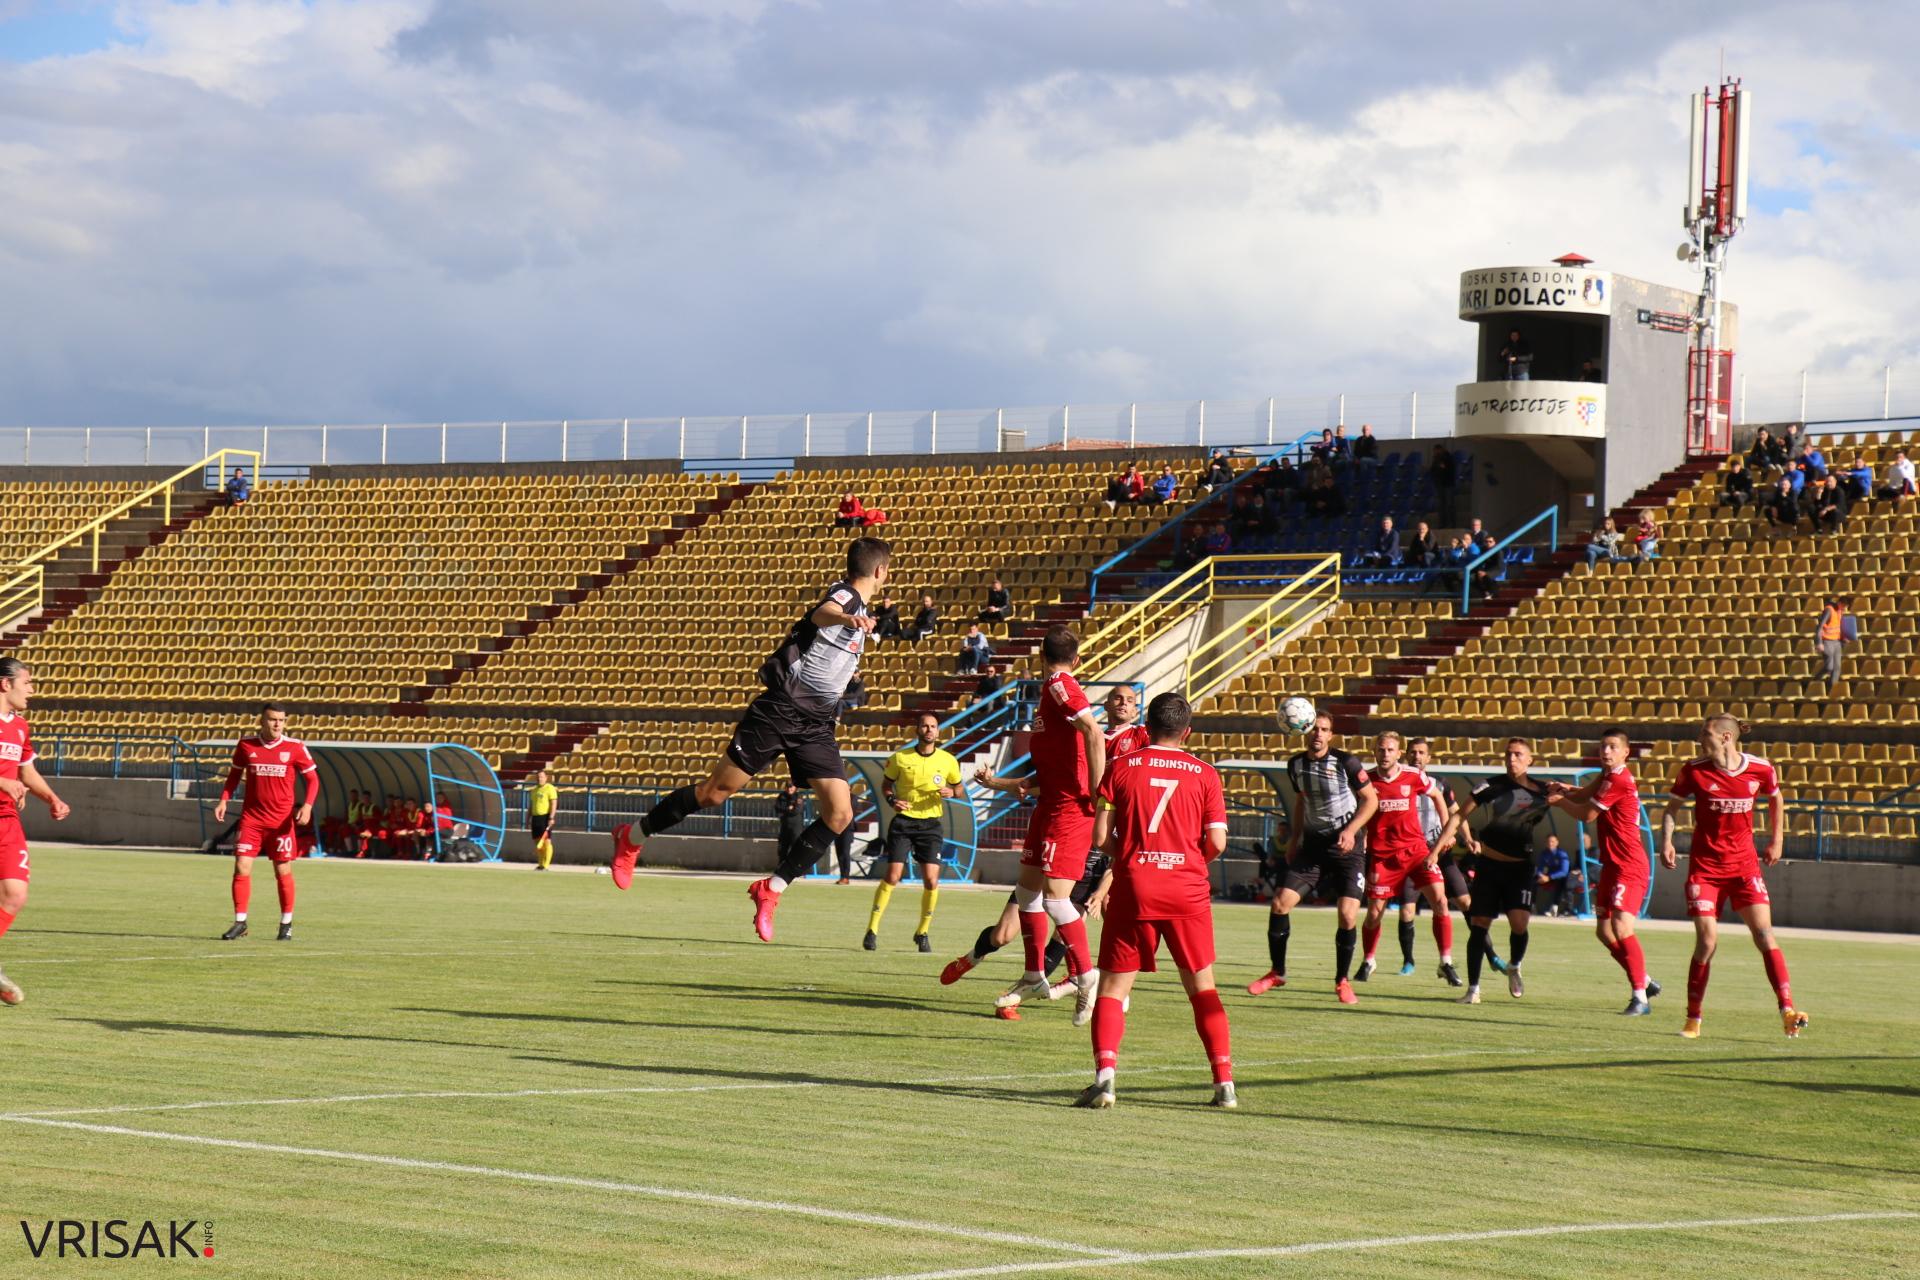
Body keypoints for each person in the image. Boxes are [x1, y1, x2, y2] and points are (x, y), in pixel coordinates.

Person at [609, 538, 888, 945]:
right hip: (780, 710)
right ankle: (631, 837)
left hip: (816, 724)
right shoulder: (845, 596)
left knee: (840, 814)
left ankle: (771, 889)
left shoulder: (861, 611)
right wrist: (848, 621)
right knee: (713, 794)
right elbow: (823, 611)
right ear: (880, 571)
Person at [1074, 692, 1235, 1110]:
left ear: (1148, 725)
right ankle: (1224, 1083)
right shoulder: (1205, 774)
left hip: (1135, 885)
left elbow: (1099, 838)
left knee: (1113, 986)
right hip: (1187, 889)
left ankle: (1106, 1078)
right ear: (1188, 731)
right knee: (1202, 987)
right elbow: (1217, 840)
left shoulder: (1122, 767)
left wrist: (1131, 853)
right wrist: (1186, 859)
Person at [944, 685, 1145, 1009]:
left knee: (1069, 922)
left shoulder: (1139, 740)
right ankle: (973, 956)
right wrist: (997, 783)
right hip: (1063, 831)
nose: (1123, 704)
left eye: (1130, 701)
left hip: (1092, 843)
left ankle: (1029, 994)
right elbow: (1047, 781)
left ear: (1136, 711)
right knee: (1004, 933)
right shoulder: (1081, 738)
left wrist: (1110, 875)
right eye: (1117, 698)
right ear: (1105, 704)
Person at [980, 626, 1107, 1021]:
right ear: (1079, 656)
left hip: (1070, 808)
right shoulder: (1049, 696)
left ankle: (1087, 975)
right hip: (1049, 804)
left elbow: (1094, 733)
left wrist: (1098, 790)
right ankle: (1034, 974)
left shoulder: (1059, 683)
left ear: (1041, 657)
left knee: (1054, 897)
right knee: (1026, 892)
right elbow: (1056, 760)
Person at [1660, 715, 1807, 1039]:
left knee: (1765, 935)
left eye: (1706, 733)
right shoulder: (1693, 770)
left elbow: (1776, 798)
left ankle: (1787, 1010)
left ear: (1727, 737)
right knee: (1708, 941)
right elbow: (1671, 808)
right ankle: (1693, 1019)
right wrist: (1667, 841)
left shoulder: (1760, 768)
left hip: (1743, 868)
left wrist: (1777, 839)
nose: (1700, 737)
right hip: (1706, 869)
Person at [1246, 711, 1377, 1004]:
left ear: (1331, 735)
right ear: (1304, 730)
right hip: (1314, 848)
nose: (1318, 734)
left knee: (1347, 915)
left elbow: (1372, 799)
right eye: (1314, 728)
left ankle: (1342, 981)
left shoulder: (1346, 762)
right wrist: (1294, 838)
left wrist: (1353, 830)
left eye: (1324, 729)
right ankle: (1276, 972)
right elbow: (1302, 800)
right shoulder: (1295, 764)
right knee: (1280, 903)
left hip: (1347, 849)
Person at [1547, 728, 1663, 1015]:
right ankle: (1645, 981)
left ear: (1626, 752)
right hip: (1612, 864)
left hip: (1629, 865)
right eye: (1603, 746)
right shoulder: (1608, 775)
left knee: (1622, 927)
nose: (1606, 751)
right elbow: (1586, 794)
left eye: (1612, 747)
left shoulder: (1620, 779)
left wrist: (1560, 802)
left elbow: (1587, 814)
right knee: (1604, 931)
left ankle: (1640, 999)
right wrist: (1567, 789)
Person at [1432, 738, 1551, 1004]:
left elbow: (1581, 806)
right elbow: (1459, 815)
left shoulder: (1543, 791)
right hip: (1489, 866)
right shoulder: (1490, 786)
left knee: (1519, 924)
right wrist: (1436, 849)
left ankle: (1514, 965)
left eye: (1518, 754)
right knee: (1479, 925)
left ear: (1530, 760)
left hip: (1520, 869)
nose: (1512, 759)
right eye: (1508, 754)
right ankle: (1473, 990)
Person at [1353, 732, 1453, 985]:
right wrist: (1362, 834)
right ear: (1374, 751)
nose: (1385, 754)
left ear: (1399, 753)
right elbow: (1360, 810)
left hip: (1416, 851)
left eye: (1390, 750)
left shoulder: (1413, 775)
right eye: (1380, 749)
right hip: (1383, 855)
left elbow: (1438, 797)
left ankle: (1446, 962)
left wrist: (1445, 828)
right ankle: (1369, 960)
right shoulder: (1367, 780)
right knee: (1375, 912)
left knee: (1440, 901)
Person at [214, 704, 319, 941]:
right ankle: (240, 922)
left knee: (282, 871)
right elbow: (233, 775)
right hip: (252, 819)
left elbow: (313, 780)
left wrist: (308, 806)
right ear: (262, 721)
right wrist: (223, 800)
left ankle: (286, 923)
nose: (277, 724)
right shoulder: (246, 744)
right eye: (272, 720)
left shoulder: (295, 747)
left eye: (281, 720)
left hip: (281, 821)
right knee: (241, 866)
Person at [0, 658, 70, 1007]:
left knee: (15, 894)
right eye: (26, 682)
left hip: (7, 821)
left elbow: (27, 772)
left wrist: (52, 798)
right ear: (4, 684)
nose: (32, 689)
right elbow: (11, 778)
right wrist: (3, 781)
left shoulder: (20, 727)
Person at [864, 712, 963, 953]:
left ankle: (922, 932)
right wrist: (892, 800)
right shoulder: (900, 758)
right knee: (893, 876)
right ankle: (872, 929)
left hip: (930, 825)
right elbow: (886, 785)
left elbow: (959, 788)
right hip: (903, 824)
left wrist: (952, 791)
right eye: (925, 726)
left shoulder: (948, 760)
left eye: (933, 727)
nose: (929, 730)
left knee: (931, 880)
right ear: (917, 730)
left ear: (938, 732)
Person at [772, 781, 814, 880]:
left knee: (796, 849)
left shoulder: (798, 797)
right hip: (784, 827)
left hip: (796, 828)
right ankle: (781, 869)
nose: (789, 788)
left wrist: (785, 810)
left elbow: (797, 810)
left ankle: (799, 870)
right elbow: (777, 808)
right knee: (782, 849)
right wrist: (788, 808)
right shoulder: (782, 796)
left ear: (795, 788)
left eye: (791, 787)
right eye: (788, 786)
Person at [1814, 595, 1856, 689]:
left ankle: (1833, 689)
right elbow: (1819, 627)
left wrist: (1844, 637)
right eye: (1845, 606)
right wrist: (1819, 642)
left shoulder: (1840, 611)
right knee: (1829, 667)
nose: (1846, 609)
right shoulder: (1829, 610)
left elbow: (1838, 626)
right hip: (1827, 641)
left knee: (1837, 668)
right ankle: (1815, 681)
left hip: (1837, 642)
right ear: (1841, 603)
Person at [526, 770, 559, 870]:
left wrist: (551, 817)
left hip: (545, 817)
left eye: (541, 777)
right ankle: (540, 864)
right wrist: (527, 819)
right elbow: (531, 806)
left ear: (546, 778)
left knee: (546, 842)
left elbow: (554, 803)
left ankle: (546, 865)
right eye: (538, 777)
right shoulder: (534, 790)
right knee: (537, 842)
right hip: (535, 818)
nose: (539, 779)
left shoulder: (550, 788)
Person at [1534, 834, 1572, 917]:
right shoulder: (1544, 853)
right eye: (1548, 841)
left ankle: (1554, 908)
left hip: (1557, 877)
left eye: (1552, 841)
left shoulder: (1562, 854)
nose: (1550, 843)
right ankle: (1531, 906)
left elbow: (1564, 871)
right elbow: (1539, 868)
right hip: (1547, 877)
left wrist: (1549, 877)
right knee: (1533, 881)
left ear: (1557, 843)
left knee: (1561, 881)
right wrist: (1541, 875)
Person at [1428, 444, 1459, 527]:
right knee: (1441, 506)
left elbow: (1451, 470)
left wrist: (1443, 468)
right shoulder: (1436, 460)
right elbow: (1432, 470)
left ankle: (1452, 524)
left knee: (1449, 505)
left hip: (1448, 484)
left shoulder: (1448, 458)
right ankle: (1443, 524)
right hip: (1440, 485)